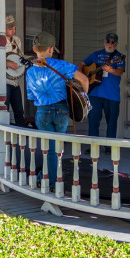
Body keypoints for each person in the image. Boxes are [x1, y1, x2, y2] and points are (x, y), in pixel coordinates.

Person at [26, 31, 89, 190]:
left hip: (42, 111)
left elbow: (30, 96)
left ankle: (48, 178)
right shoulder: (61, 65)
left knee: (48, 149)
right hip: (61, 110)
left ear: (35, 49)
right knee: (57, 149)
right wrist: (84, 99)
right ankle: (53, 181)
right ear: (51, 49)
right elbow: (84, 79)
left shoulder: (30, 72)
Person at [79, 33, 125, 155]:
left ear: (116, 44)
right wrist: (82, 75)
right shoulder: (96, 54)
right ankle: (93, 145)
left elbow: (120, 72)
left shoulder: (119, 57)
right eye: (108, 41)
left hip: (112, 94)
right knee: (93, 120)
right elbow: (82, 64)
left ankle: (110, 147)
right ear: (104, 42)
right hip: (94, 93)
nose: (110, 44)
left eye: (113, 42)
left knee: (112, 121)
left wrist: (111, 70)